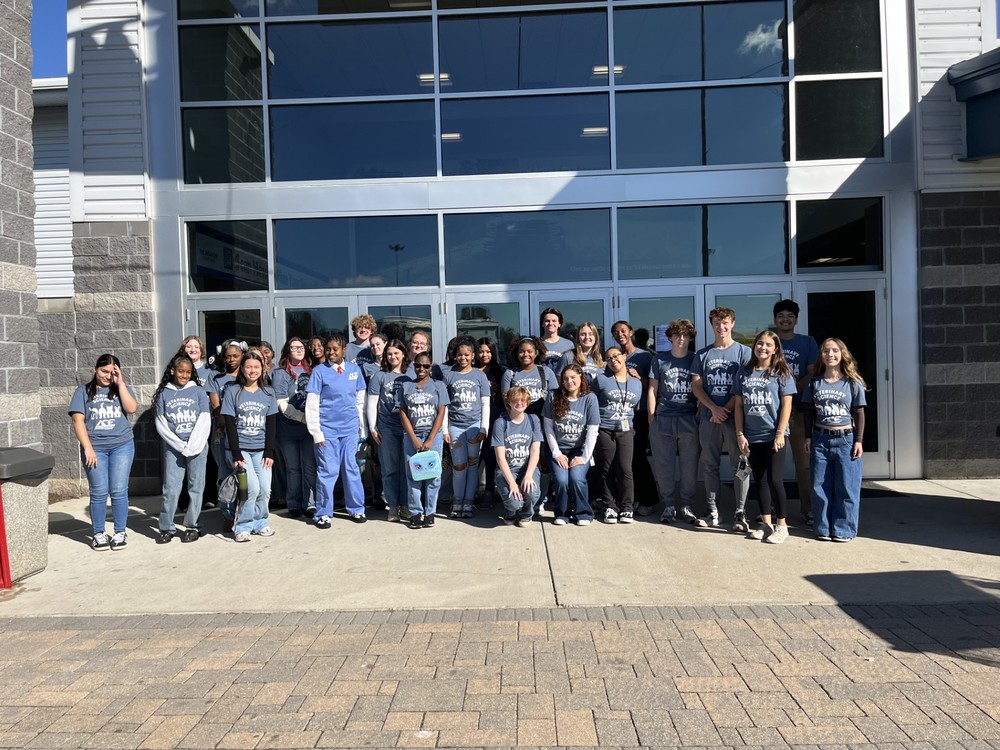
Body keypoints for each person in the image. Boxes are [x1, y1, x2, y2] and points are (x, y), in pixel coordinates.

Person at [69, 354, 139, 551]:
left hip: (122, 446)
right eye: (104, 371)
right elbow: (77, 421)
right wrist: (88, 448)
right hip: (95, 449)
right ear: (95, 369)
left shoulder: (120, 389)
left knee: (118, 490)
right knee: (99, 492)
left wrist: (121, 383)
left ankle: (119, 532)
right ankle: (98, 533)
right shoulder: (83, 391)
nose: (108, 376)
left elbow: (132, 408)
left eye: (112, 372)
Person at [691, 307, 752, 529]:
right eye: (717, 322)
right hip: (710, 418)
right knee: (710, 465)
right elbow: (696, 386)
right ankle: (713, 511)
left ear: (733, 323)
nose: (721, 327)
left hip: (735, 419)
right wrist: (713, 409)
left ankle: (740, 512)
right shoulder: (703, 354)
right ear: (712, 325)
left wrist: (724, 409)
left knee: (742, 464)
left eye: (725, 322)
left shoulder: (744, 353)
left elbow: (746, 387)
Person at [733, 330, 796, 545]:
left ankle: (782, 525)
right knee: (759, 480)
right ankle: (765, 524)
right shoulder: (744, 372)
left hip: (774, 435)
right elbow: (739, 406)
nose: (763, 348)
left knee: (775, 479)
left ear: (775, 349)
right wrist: (740, 434)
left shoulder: (781, 372)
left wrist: (780, 432)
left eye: (769, 345)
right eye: (760, 344)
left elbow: (787, 404)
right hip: (752, 435)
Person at [802, 338, 868, 542]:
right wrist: (808, 436)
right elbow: (808, 411)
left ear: (842, 354)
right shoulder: (814, 382)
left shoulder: (852, 383)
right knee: (819, 485)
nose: (830, 354)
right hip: (821, 438)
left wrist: (859, 440)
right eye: (826, 351)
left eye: (835, 351)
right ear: (821, 355)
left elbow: (859, 412)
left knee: (847, 486)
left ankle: (843, 529)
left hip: (846, 439)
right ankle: (823, 528)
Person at [306, 333, 368, 529]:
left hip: (350, 430)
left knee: (352, 469)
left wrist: (362, 429)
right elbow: (312, 404)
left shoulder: (354, 370)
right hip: (327, 431)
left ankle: (356, 508)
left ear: (344, 351)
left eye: (335, 349)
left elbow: (360, 402)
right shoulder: (319, 371)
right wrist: (316, 432)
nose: (331, 352)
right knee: (328, 471)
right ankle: (323, 512)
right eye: (328, 349)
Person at [220, 348, 278, 542]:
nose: (252, 370)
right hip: (241, 450)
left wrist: (269, 451)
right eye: (248, 367)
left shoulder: (268, 392)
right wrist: (236, 454)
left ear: (262, 368)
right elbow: (228, 423)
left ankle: (261, 522)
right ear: (242, 369)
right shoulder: (232, 391)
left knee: (264, 489)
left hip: (262, 451)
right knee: (250, 488)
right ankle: (242, 526)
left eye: (256, 367)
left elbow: (271, 424)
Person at [152, 352, 211, 543]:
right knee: (171, 488)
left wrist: (192, 445)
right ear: (172, 371)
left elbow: (204, 420)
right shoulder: (164, 394)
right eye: (180, 371)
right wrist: (180, 444)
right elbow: (161, 423)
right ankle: (166, 527)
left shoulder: (199, 392)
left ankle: (193, 526)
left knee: (196, 487)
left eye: (188, 372)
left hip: (198, 446)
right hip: (174, 447)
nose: (184, 375)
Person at [647, 319, 700, 524]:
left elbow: (700, 388)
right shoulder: (659, 360)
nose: (681, 339)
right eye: (677, 335)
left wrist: (698, 412)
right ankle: (669, 505)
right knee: (664, 465)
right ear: (669, 337)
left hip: (688, 417)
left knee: (689, 465)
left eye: (685, 335)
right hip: (664, 418)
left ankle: (686, 505)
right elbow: (652, 389)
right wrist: (652, 417)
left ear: (690, 338)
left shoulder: (696, 359)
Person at [772, 299, 819, 523]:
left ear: (796, 319)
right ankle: (773, 509)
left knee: (804, 464)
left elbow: (811, 372)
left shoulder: (807, 342)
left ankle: (808, 509)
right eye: (781, 315)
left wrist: (789, 391)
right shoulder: (770, 341)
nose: (785, 319)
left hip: (800, 411)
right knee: (773, 466)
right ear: (775, 319)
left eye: (790, 315)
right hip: (772, 413)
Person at [543, 364, 600, 526]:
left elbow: (592, 431)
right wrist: (556, 453)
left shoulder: (590, 398)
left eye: (573, 377)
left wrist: (584, 457)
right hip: (558, 449)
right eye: (565, 378)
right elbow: (548, 427)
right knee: (561, 480)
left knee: (576, 478)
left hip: (579, 450)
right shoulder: (553, 396)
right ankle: (562, 513)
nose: (569, 381)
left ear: (581, 377)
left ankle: (584, 513)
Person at [397, 351, 449, 528]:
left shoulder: (438, 386)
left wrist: (430, 439)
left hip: (433, 436)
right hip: (412, 437)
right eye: (418, 365)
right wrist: (413, 438)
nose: (421, 369)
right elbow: (403, 412)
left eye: (426, 366)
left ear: (431, 367)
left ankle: (430, 512)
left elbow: (441, 412)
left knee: (433, 476)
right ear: (413, 365)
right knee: (413, 475)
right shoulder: (405, 386)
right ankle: (415, 513)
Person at [591, 347, 642, 523]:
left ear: (624, 356)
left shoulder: (637, 382)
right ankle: (610, 506)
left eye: (616, 356)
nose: (613, 360)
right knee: (606, 468)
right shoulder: (601, 380)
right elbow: (591, 402)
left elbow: (635, 407)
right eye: (609, 358)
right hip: (605, 429)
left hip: (626, 430)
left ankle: (627, 507)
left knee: (625, 468)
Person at [610, 320, 657, 513]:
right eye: (616, 332)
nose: (620, 334)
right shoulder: (614, 356)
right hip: (619, 414)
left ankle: (649, 500)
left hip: (639, 414)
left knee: (638, 457)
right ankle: (632, 498)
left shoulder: (645, 357)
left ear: (631, 333)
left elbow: (654, 387)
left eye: (623, 331)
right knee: (623, 460)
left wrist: (639, 377)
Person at [442, 336, 491, 518]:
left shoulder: (480, 375)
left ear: (472, 356)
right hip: (455, 425)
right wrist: (445, 430)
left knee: (473, 464)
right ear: (455, 356)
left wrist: (483, 428)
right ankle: (457, 500)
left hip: (474, 425)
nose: (463, 358)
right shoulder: (449, 375)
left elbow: (486, 403)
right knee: (459, 466)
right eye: (459, 355)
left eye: (466, 355)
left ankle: (469, 501)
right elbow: (444, 405)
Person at [271, 337, 316, 519]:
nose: (299, 350)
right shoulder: (280, 374)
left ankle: (311, 504)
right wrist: (303, 418)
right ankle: (294, 504)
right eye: (294, 347)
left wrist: (311, 421)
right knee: (293, 469)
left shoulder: (312, 371)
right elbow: (281, 403)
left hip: (308, 431)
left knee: (309, 467)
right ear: (287, 351)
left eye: (301, 347)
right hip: (288, 430)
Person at [367, 338, 410, 522]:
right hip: (387, 428)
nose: (393, 356)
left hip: (408, 428)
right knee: (390, 469)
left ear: (403, 354)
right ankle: (393, 506)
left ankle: (407, 505)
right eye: (390, 353)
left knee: (407, 469)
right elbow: (371, 403)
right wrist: (373, 427)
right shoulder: (379, 376)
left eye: (396, 353)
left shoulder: (411, 374)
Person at [492, 386, 542, 527]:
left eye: (523, 400)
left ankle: (527, 514)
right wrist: (513, 484)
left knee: (531, 492)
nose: (519, 403)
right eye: (515, 400)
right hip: (507, 469)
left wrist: (528, 475)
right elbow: (500, 458)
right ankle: (511, 511)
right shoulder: (501, 423)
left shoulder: (533, 420)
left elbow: (535, 451)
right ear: (509, 402)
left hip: (527, 468)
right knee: (514, 501)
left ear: (527, 401)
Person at [476, 337, 504, 506]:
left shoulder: (501, 372)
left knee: (490, 457)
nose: (484, 354)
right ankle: (470, 492)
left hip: (494, 419)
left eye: (488, 351)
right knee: (474, 458)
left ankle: (489, 491)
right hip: (474, 419)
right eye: (480, 351)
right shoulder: (470, 370)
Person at [502, 336, 558, 415]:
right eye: (521, 351)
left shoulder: (546, 372)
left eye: (529, 351)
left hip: (542, 418)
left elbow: (554, 397)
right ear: (517, 354)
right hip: (519, 418)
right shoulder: (510, 374)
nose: (525, 354)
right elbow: (506, 401)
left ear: (536, 353)